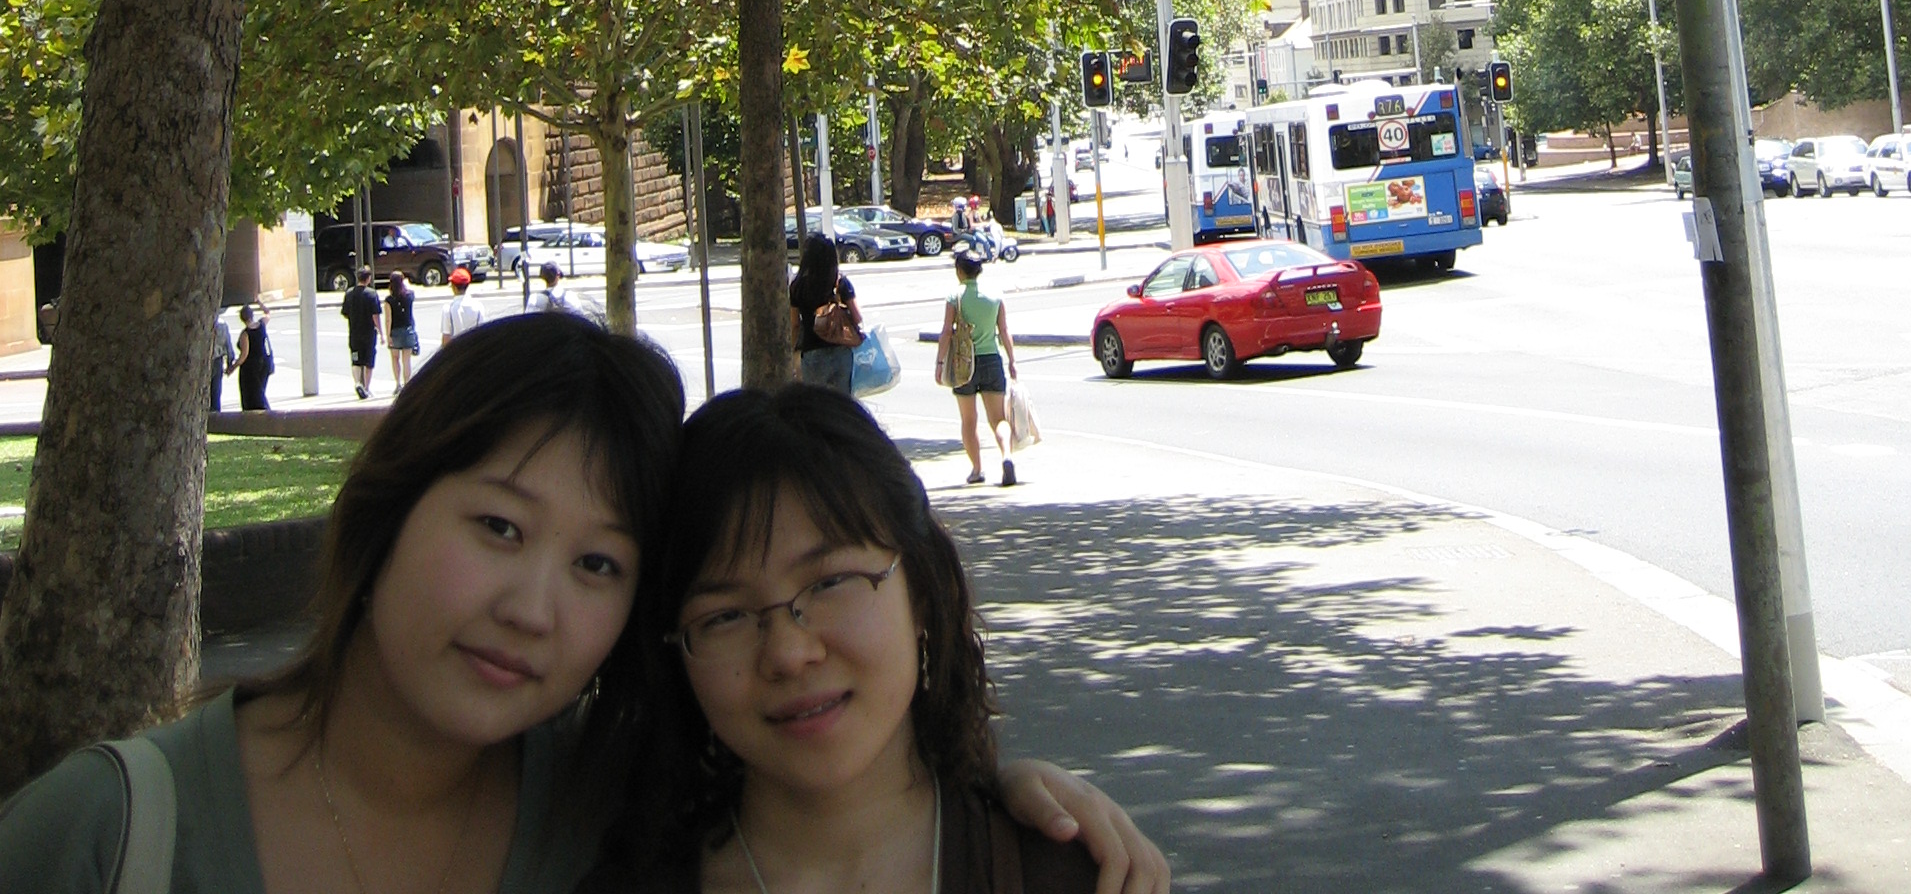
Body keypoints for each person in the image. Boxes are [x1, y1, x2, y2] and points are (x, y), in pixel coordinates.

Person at [0, 323, 1169, 894]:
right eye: (499, 527)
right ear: (385, 511)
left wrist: (1006, 799)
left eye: (600, 563)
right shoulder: (106, 836)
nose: (532, 608)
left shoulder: (605, 813)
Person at [626, 385, 1103, 894]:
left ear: (921, 591)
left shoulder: (1070, 874)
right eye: (725, 616)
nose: (788, 654)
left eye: (830, 583)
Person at [934, 251, 1015, 489]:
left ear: (959, 271)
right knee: (998, 419)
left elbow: (946, 332)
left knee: (969, 420)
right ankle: (1007, 456)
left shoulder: (955, 297)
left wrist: (940, 363)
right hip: (992, 359)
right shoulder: (995, 296)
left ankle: (977, 469)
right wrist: (1012, 360)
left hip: (963, 364)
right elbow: (1004, 330)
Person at [788, 234, 862, 394]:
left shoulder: (798, 286)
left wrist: (791, 350)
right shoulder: (841, 283)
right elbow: (857, 317)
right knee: (841, 403)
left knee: (816, 403)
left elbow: (794, 325)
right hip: (841, 352)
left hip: (812, 352)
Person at [342, 265, 384, 400]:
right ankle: (366, 387)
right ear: (369, 278)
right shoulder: (372, 294)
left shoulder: (349, 293)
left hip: (354, 332)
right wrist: (381, 332)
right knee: (368, 361)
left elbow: (345, 313)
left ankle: (357, 383)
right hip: (369, 333)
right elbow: (375, 315)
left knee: (356, 360)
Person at [385, 271, 422, 391]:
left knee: (395, 359)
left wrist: (388, 336)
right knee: (406, 360)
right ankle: (407, 384)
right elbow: (411, 290)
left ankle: (397, 384)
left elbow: (388, 319)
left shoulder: (389, 300)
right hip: (408, 329)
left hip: (395, 331)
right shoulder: (409, 295)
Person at [236, 301, 274, 413]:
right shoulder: (262, 324)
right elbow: (267, 313)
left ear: (242, 318)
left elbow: (244, 355)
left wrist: (232, 368)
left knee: (253, 395)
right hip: (265, 364)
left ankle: (260, 414)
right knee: (261, 391)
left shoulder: (245, 334)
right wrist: (259, 302)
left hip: (251, 369)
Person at [440, 265, 483, 346]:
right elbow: (481, 333)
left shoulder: (448, 309)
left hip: (455, 350)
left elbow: (446, 337)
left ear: (454, 287)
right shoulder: (478, 307)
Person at [209, 304, 239, 415]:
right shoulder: (222, 325)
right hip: (217, 360)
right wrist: (230, 363)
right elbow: (228, 345)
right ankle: (215, 414)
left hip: (205, 361)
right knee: (216, 391)